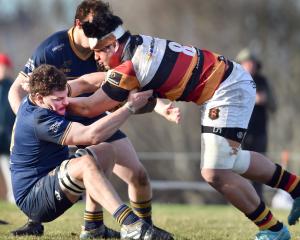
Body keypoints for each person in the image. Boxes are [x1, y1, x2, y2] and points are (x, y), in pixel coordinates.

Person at [66, 4, 300, 239]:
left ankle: (273, 230)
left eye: (97, 50)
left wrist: (52, 101)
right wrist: (66, 89)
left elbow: (89, 107)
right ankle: (296, 189)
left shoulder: (130, 66)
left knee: (214, 172)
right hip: (228, 81)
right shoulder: (135, 44)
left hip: (226, 89)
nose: (95, 57)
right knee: (233, 160)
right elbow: (102, 81)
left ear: (113, 44)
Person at [8, 0, 179, 237]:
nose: (100, 34)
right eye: (93, 26)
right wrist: (32, 130)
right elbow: (16, 91)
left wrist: (160, 107)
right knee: (86, 163)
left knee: (129, 168)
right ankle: (131, 225)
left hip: (90, 116)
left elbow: (101, 81)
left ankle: (106, 227)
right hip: (61, 123)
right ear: (79, 23)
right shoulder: (52, 49)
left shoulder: (105, 48)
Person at [10, 64, 173, 240]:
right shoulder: (37, 118)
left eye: (66, 96)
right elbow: (91, 135)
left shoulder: (44, 100)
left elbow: (84, 82)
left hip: (46, 182)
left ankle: (94, 227)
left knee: (106, 150)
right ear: (39, 98)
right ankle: (131, 224)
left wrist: (130, 77)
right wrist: (129, 107)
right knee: (86, 163)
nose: (65, 103)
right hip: (33, 198)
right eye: (58, 99)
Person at [236, 48, 277, 200]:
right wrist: (252, 99)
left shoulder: (262, 81)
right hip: (238, 131)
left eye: (252, 63)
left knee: (259, 167)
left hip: (259, 132)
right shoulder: (236, 80)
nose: (250, 66)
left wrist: (265, 100)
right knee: (237, 166)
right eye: (246, 63)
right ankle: (240, 199)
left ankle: (258, 199)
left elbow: (274, 105)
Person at [0, 53, 15, 203]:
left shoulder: (11, 87)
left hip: (6, 136)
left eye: (5, 68)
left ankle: (13, 196)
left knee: (8, 167)